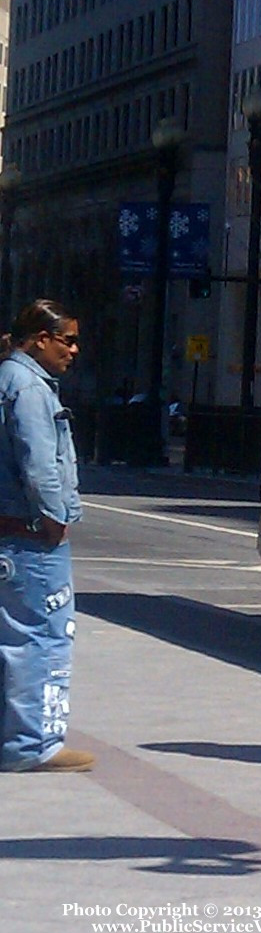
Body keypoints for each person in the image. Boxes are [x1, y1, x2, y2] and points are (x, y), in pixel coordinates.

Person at [0, 300, 90, 773]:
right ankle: (33, 745)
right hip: (30, 537)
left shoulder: (8, 379)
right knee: (43, 636)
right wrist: (55, 520)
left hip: (11, 533)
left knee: (14, 637)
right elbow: (38, 464)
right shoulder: (29, 389)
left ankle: (14, 740)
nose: (74, 349)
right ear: (40, 339)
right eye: (67, 339)